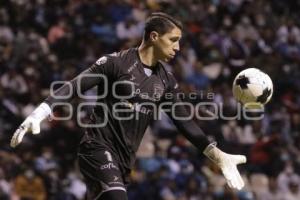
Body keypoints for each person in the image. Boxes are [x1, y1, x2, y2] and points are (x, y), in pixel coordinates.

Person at [10, 12, 246, 200]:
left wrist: (217, 156)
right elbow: (73, 86)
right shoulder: (116, 63)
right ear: (154, 37)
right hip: (97, 149)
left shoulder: (165, 80)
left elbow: (183, 120)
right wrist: (40, 112)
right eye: (173, 40)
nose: (178, 48)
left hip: (124, 163)